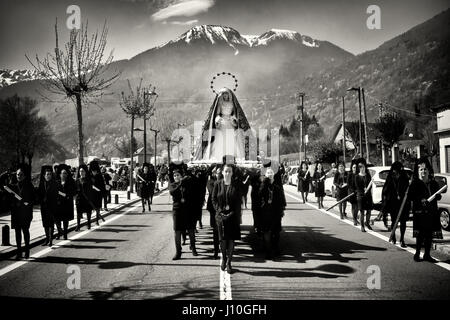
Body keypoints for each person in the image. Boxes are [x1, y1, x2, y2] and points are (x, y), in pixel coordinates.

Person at [194, 88, 252, 161]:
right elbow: (217, 114)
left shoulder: (232, 103)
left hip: (230, 122)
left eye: (227, 94)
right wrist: (217, 119)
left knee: (231, 138)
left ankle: (232, 156)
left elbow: (234, 113)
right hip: (222, 122)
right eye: (224, 95)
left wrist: (233, 118)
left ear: (229, 95)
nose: (225, 96)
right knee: (220, 138)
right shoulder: (220, 103)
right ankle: (219, 157)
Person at [408, 157, 443, 262]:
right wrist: (420, 200)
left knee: (429, 235)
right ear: (418, 171)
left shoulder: (433, 183)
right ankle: (417, 253)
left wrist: (437, 196)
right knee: (420, 235)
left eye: (425, 169)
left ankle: (427, 255)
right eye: (421, 169)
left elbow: (439, 195)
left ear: (428, 170)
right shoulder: (415, 183)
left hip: (431, 212)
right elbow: (410, 196)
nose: (423, 171)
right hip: (420, 212)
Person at [212, 163, 242, 273]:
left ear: (232, 173)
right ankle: (224, 258)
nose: (227, 173)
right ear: (222, 172)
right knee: (222, 240)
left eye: (229, 171)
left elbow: (239, 201)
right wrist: (219, 211)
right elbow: (213, 199)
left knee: (231, 240)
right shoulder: (217, 184)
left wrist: (233, 213)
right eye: (226, 171)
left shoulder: (236, 184)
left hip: (233, 216)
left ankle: (229, 262)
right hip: (220, 216)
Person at [169, 166, 198, 260]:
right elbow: (173, 192)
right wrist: (181, 182)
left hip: (188, 209)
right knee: (177, 231)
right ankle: (178, 252)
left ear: (181, 176)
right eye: (175, 175)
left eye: (178, 175)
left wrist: (188, 176)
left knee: (191, 230)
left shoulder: (187, 184)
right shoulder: (172, 184)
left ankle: (193, 247)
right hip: (177, 210)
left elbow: (195, 185)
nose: (176, 177)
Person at [259, 167, 286, 259]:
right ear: (265, 175)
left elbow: (281, 199)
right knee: (266, 231)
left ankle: (275, 248)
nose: (270, 174)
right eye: (268, 173)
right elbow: (260, 194)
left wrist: (281, 210)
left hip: (276, 212)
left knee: (276, 231)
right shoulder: (263, 185)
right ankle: (268, 250)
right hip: (265, 211)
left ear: (273, 175)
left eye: (271, 173)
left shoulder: (277, 187)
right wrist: (265, 182)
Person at [381, 161, 410, 246]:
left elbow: (407, 189)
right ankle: (393, 236)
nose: (395, 171)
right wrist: (386, 200)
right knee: (394, 221)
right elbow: (385, 190)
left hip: (403, 203)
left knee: (403, 222)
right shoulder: (390, 177)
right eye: (394, 170)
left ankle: (402, 239)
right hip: (393, 203)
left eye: (397, 170)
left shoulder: (404, 177)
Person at [9, 165, 35, 260]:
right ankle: (19, 252)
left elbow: (33, 198)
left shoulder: (29, 185)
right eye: (17, 174)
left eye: (21, 174)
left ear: (24, 176)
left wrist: (28, 203)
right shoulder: (14, 186)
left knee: (25, 231)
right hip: (16, 213)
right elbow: (2, 185)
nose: (19, 176)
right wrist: (7, 174)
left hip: (25, 213)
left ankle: (27, 251)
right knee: (17, 233)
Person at [37, 166, 57, 246]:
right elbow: (39, 195)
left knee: (51, 223)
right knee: (45, 223)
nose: (48, 175)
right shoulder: (42, 184)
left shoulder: (54, 184)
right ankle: (47, 239)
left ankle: (51, 239)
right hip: (44, 207)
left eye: (50, 174)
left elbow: (56, 195)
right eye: (47, 174)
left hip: (52, 206)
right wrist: (41, 200)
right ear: (44, 175)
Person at [54, 165, 76, 240]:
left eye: (65, 173)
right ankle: (59, 232)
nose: (64, 175)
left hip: (67, 203)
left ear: (67, 174)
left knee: (65, 220)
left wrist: (66, 195)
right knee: (57, 219)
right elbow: (55, 192)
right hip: (58, 203)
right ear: (60, 174)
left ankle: (65, 234)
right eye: (62, 173)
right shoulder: (56, 182)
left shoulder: (70, 182)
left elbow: (73, 192)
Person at [354, 158, 373, 232]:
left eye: (363, 167)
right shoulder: (357, 177)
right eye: (360, 167)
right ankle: (362, 226)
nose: (362, 168)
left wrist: (367, 190)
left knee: (369, 210)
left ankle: (367, 222)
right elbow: (357, 186)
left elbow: (370, 184)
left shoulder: (368, 175)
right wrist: (363, 190)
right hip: (361, 195)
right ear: (359, 169)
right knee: (362, 212)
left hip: (368, 195)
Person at [206, 166, 220, 259]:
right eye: (215, 172)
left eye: (219, 172)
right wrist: (218, 178)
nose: (217, 173)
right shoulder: (210, 182)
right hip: (214, 208)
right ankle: (215, 251)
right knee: (215, 230)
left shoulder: (225, 181)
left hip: (224, 209)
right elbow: (212, 191)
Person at [75, 165, 93, 231]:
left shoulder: (88, 180)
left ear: (85, 172)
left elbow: (90, 190)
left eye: (82, 171)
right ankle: (78, 225)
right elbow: (75, 189)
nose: (81, 172)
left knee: (88, 212)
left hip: (87, 199)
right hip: (79, 199)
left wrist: (90, 198)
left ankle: (89, 223)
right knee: (78, 213)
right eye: (80, 171)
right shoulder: (77, 180)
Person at [89, 161, 106, 225]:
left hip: (98, 194)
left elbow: (102, 186)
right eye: (93, 171)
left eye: (95, 171)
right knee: (90, 208)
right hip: (91, 194)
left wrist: (96, 188)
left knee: (97, 208)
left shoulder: (100, 176)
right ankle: (89, 221)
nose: (94, 172)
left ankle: (97, 220)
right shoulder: (89, 176)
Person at [347, 160, 359, 226]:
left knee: (357, 206)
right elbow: (348, 184)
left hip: (357, 192)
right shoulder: (350, 174)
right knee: (353, 206)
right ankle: (354, 219)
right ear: (352, 168)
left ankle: (355, 218)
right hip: (351, 192)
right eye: (354, 167)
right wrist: (352, 191)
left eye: (356, 167)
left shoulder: (358, 174)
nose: (355, 168)